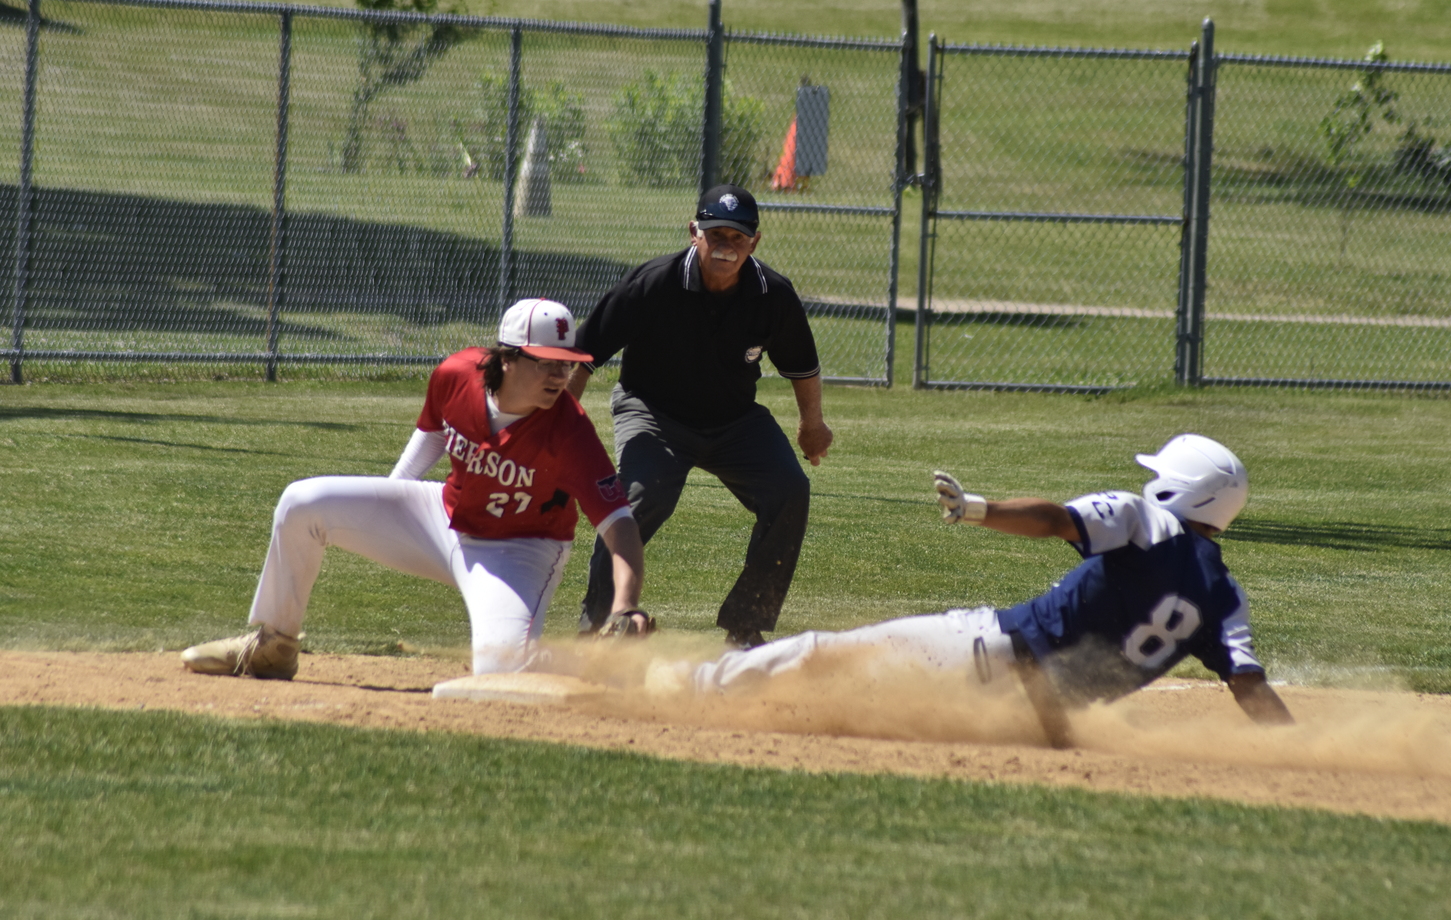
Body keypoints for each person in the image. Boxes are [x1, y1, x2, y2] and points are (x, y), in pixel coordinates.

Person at [668, 434, 1292, 746]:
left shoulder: (1145, 519)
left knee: (823, 653)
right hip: (1042, 717)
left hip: (991, 648)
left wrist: (977, 509)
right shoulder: (1225, 596)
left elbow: (1054, 521)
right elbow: (1249, 685)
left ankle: (693, 689)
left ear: (1181, 490)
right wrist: (1297, 752)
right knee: (875, 709)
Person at [181, 299, 649, 681]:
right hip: (440, 519)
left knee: (500, 669)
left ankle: (600, 667)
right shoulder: (457, 373)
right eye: (546, 364)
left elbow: (618, 523)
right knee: (302, 503)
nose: (559, 378)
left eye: (565, 366)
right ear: (506, 359)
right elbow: (433, 434)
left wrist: (625, 605)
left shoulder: (569, 429)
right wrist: (389, 503)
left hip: (520, 551)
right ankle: (274, 647)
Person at [567, 184, 834, 649]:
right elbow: (582, 357)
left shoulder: (773, 295)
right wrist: (561, 427)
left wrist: (812, 425)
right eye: (715, 234)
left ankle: (746, 627)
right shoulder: (652, 284)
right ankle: (599, 624)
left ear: (755, 242)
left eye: (737, 237)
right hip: (653, 412)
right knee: (638, 497)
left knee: (789, 490)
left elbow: (802, 367)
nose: (726, 247)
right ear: (695, 233)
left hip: (734, 421)